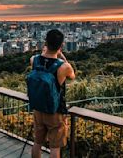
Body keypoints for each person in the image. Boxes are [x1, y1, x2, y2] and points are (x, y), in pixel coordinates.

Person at [28, 29, 75, 158]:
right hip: (55, 111)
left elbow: (38, 61)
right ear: (61, 46)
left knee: (37, 143)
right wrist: (62, 56)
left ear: (45, 43)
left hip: (38, 108)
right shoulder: (63, 67)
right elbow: (72, 76)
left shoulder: (34, 60)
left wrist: (43, 53)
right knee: (55, 147)